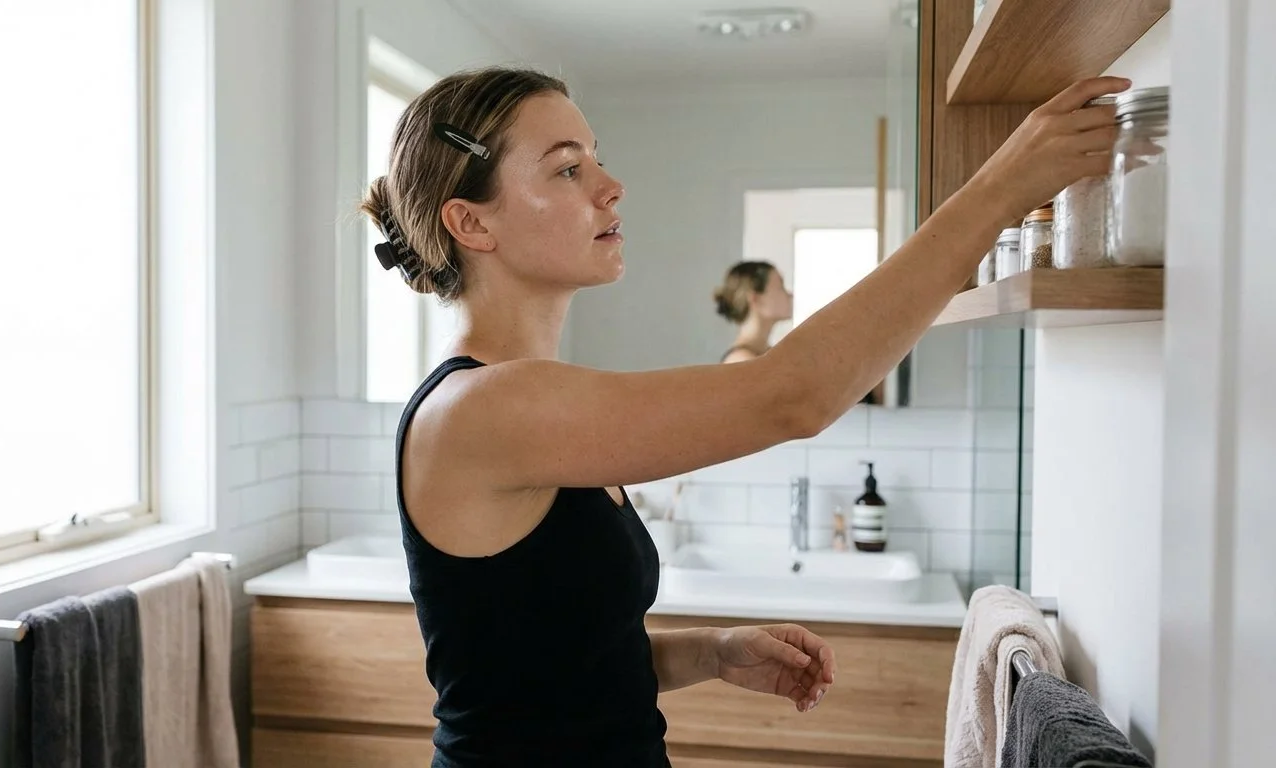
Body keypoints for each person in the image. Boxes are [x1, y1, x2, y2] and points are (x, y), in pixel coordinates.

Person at [360, 65, 1129, 767]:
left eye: (596, 156)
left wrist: (713, 653)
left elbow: (549, 673)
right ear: (472, 223)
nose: (611, 184)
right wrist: (1000, 189)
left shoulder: (535, 402)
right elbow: (790, 395)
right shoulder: (484, 408)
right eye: (568, 167)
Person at [713, 260, 794, 363]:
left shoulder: (768, 354)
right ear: (755, 299)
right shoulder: (741, 360)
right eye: (781, 287)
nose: (790, 295)